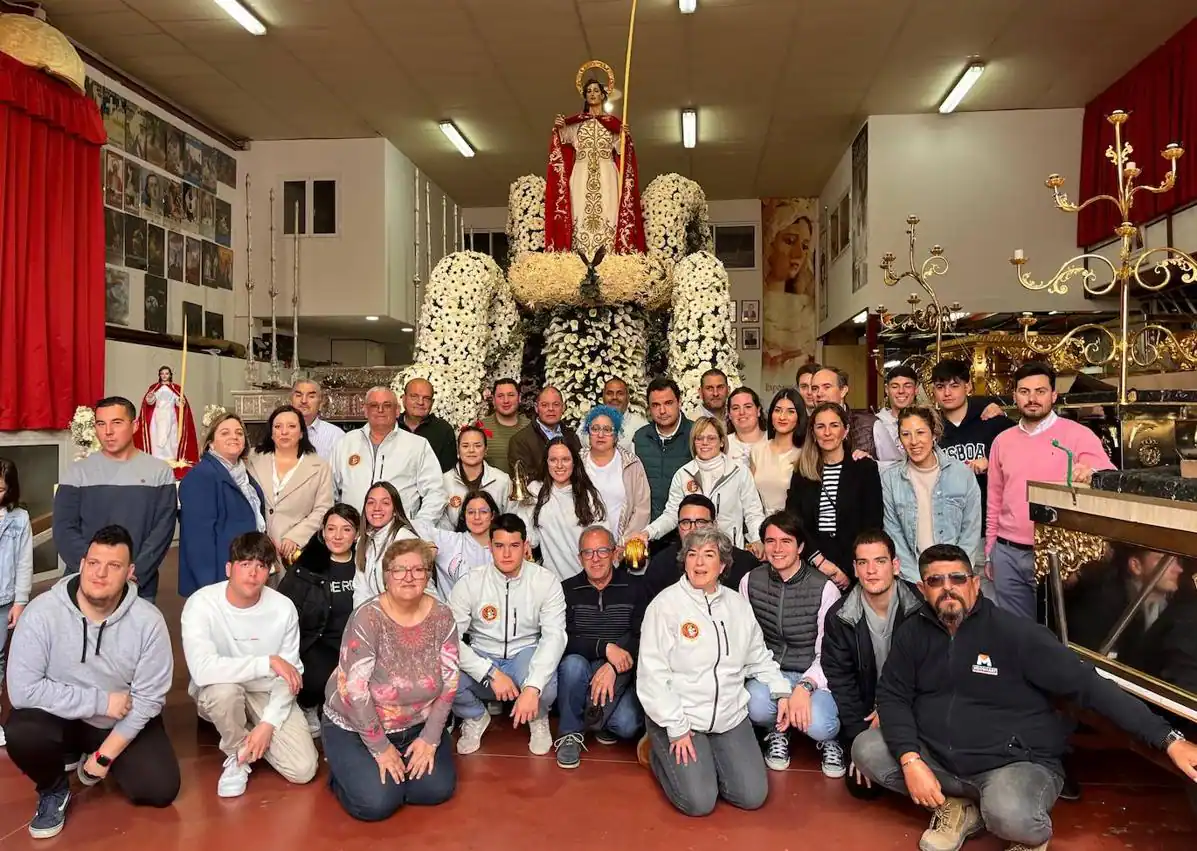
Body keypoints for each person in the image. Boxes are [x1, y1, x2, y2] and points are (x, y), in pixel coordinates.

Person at [851, 544, 1197, 851]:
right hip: (940, 758)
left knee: (1012, 818)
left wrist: (1168, 740)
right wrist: (911, 761)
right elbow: (893, 694)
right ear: (921, 588)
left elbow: (1090, 686)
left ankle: (1000, 817)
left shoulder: (1015, 634)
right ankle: (956, 806)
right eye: (936, 581)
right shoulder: (913, 633)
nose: (948, 589)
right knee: (867, 748)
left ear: (974, 584)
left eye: (957, 579)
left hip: (1010, 764)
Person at [6, 526, 179, 839]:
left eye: (113, 566)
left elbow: (149, 698)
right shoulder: (42, 613)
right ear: (82, 563)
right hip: (63, 715)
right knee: (21, 728)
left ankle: (89, 752)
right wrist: (101, 701)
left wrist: (104, 756)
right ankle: (54, 790)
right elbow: (23, 691)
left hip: (117, 720)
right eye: (94, 563)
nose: (100, 573)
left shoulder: (148, 622)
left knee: (160, 790)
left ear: (129, 572)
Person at [637, 527, 794, 817]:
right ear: (684, 561)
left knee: (752, 796)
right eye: (692, 555)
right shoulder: (665, 606)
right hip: (682, 718)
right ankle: (658, 754)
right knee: (699, 802)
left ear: (722, 565)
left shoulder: (737, 606)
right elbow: (652, 676)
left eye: (708, 555)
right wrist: (676, 726)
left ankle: (706, 762)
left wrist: (781, 689)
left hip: (728, 717)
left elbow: (758, 656)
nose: (699, 563)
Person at [322, 538, 459, 821]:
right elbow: (354, 693)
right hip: (356, 727)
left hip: (416, 724)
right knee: (377, 803)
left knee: (435, 790)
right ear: (386, 576)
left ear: (428, 574)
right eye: (399, 570)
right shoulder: (367, 619)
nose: (409, 577)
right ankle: (342, 772)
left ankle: (387, 775)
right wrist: (381, 748)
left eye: (418, 569)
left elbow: (450, 683)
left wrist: (431, 738)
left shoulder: (443, 616)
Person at [181, 532, 319, 798]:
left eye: (261, 565)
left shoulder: (283, 608)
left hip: (266, 693)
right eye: (245, 564)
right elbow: (202, 670)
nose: (253, 573)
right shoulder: (202, 604)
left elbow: (290, 674)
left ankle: (251, 734)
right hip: (223, 689)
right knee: (224, 693)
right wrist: (267, 662)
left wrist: (267, 725)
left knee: (303, 770)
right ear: (229, 568)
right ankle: (237, 755)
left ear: (269, 571)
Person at [986, 362, 1114, 619]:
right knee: (1015, 632)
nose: (1032, 399)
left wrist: (1092, 474)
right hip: (1007, 553)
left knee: (1056, 630)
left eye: (1040, 391)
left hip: (1055, 553)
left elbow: (1109, 475)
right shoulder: (1002, 440)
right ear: (1014, 396)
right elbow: (995, 499)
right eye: (1024, 391)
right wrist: (991, 550)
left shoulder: (1078, 435)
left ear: (1054, 395)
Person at [449, 513, 566, 756]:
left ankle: (538, 718)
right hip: (483, 655)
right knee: (443, 674)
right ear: (490, 546)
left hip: (524, 654)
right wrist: (489, 672)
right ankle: (476, 717)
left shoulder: (546, 581)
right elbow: (448, 639)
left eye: (514, 546)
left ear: (525, 546)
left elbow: (554, 637)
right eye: (499, 546)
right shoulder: (471, 582)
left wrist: (532, 688)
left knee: (548, 684)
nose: (506, 554)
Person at [822, 530, 923, 800]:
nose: (871, 571)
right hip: (868, 716)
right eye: (863, 563)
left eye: (879, 561)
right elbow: (841, 683)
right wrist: (859, 744)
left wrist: (892, 710)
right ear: (854, 569)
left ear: (896, 565)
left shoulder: (921, 608)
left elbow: (931, 675)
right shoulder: (840, 617)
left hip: (915, 709)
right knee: (861, 787)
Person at [741, 512, 843, 776]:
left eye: (786, 541)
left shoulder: (825, 588)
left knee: (821, 724)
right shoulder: (750, 581)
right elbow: (749, 645)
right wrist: (778, 687)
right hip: (770, 672)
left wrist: (804, 687)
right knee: (753, 703)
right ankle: (777, 731)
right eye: (770, 541)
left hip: (814, 675)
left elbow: (828, 651)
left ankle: (828, 741)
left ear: (800, 547)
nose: (777, 549)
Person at [53, 396, 177, 602]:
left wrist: (135, 573)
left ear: (135, 426)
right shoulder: (78, 473)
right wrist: (93, 570)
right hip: (86, 583)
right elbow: (64, 528)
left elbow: (162, 529)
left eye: (117, 423)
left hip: (137, 583)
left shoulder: (159, 472)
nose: (108, 432)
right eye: (101, 424)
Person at [553, 526, 647, 769]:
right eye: (588, 553)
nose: (595, 559)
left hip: (623, 669)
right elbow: (561, 638)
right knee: (572, 665)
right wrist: (604, 648)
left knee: (627, 725)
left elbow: (643, 634)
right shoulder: (565, 590)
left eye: (602, 551)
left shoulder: (636, 588)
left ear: (615, 553)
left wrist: (612, 667)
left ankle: (599, 718)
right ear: (579, 558)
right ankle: (570, 734)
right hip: (582, 665)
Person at [276, 504, 362, 736]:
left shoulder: (365, 564)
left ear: (357, 534)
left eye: (346, 529)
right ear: (322, 532)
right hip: (318, 642)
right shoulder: (307, 565)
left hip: (356, 643)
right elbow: (283, 608)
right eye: (331, 528)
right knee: (322, 678)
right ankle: (308, 705)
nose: (337, 536)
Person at [545, 65, 645, 259]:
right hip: (581, 175)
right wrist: (558, 127)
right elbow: (561, 139)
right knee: (580, 213)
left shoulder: (613, 125)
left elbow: (623, 152)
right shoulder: (577, 125)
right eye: (588, 91)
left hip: (607, 174)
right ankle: (580, 257)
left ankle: (608, 255)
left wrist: (626, 138)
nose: (592, 94)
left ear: (603, 95)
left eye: (596, 91)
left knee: (608, 211)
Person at [632, 416, 765, 556]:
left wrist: (758, 539)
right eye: (699, 438)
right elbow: (671, 514)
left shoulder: (739, 471)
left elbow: (753, 512)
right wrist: (648, 532)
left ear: (721, 441)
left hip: (730, 552)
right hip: (693, 553)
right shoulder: (683, 474)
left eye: (711, 438)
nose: (705, 443)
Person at [787, 403, 883, 591]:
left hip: (853, 565)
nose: (827, 432)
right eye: (820, 427)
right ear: (813, 433)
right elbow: (794, 522)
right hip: (811, 562)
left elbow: (872, 524)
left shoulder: (864, 469)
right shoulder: (802, 473)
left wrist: (848, 570)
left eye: (834, 425)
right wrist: (819, 561)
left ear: (845, 430)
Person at [881, 407, 983, 583]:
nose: (914, 441)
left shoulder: (962, 474)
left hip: (956, 574)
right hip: (913, 577)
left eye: (920, 432)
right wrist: (918, 580)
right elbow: (894, 535)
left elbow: (971, 530)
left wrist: (954, 574)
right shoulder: (890, 479)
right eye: (906, 434)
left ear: (934, 434)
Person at [178, 413, 268, 597]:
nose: (234, 437)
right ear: (211, 442)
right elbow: (198, 541)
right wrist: (211, 589)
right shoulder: (202, 476)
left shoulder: (243, 475)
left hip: (244, 571)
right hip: (218, 579)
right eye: (225, 433)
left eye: (239, 433)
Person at [330, 386, 447, 525]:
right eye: (374, 405)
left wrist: (419, 526)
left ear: (397, 411)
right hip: (352, 534)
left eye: (387, 405)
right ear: (365, 410)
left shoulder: (417, 445)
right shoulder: (345, 442)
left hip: (399, 535)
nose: (380, 410)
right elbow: (329, 491)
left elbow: (436, 492)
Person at [246, 404, 335, 565]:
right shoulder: (252, 459)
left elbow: (323, 508)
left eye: (291, 426)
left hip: (294, 552)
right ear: (271, 433)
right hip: (254, 548)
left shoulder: (319, 467)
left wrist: (296, 536)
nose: (284, 432)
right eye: (278, 427)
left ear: (301, 433)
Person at [931, 359, 1014, 530]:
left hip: (988, 523)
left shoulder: (990, 420)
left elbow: (1023, 449)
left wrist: (992, 462)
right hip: (945, 524)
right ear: (933, 391)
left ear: (967, 387)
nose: (947, 393)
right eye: (940, 387)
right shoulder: (930, 428)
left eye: (954, 386)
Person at [640, 494, 762, 600]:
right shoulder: (661, 564)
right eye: (686, 523)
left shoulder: (744, 563)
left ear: (714, 525)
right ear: (678, 527)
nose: (693, 529)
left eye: (701, 522)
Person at [517, 438, 606, 580]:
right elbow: (526, 532)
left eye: (565, 459)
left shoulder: (588, 495)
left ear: (574, 462)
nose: (559, 465)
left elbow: (602, 538)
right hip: (552, 580)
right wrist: (525, 540)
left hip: (587, 578)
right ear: (546, 463)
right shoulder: (535, 490)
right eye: (553, 460)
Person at [0, 457, 33, 747]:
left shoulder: (18, 518)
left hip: (4, 598)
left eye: (0, 489)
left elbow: (24, 562)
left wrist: (20, 601)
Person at [580, 405, 651, 541]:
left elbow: (642, 508)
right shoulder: (578, 462)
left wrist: (624, 543)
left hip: (622, 545)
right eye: (595, 429)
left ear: (616, 435)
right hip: (585, 548)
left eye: (607, 430)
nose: (600, 435)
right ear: (588, 432)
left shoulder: (631, 463)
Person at [414, 490, 497, 598]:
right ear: (464, 516)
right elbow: (415, 525)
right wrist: (430, 545)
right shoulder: (450, 541)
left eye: (483, 512)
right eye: (471, 512)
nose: (477, 517)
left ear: (492, 515)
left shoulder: (504, 547)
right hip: (453, 612)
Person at [634, 376, 695, 521]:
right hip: (649, 525)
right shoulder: (640, 437)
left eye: (668, 403)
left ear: (679, 403)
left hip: (688, 524)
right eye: (655, 405)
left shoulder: (696, 434)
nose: (662, 411)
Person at [354, 481, 418, 608]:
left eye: (385, 503)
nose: (377, 508)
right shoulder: (363, 542)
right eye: (371, 502)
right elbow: (361, 590)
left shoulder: (405, 540)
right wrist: (362, 620)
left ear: (395, 510)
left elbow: (413, 593)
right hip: (376, 617)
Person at [439, 424, 510, 531]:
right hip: (455, 542)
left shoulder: (502, 480)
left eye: (477, 446)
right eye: (465, 446)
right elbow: (442, 521)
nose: (471, 450)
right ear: (458, 450)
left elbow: (510, 517)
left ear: (486, 449)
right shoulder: (444, 481)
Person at [133, 365, 198, 477]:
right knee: (157, 436)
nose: (164, 376)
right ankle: (157, 457)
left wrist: (180, 401)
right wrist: (150, 397)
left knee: (170, 437)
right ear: (159, 375)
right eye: (162, 374)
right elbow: (149, 402)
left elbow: (179, 402)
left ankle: (169, 457)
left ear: (170, 375)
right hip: (157, 415)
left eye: (166, 373)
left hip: (170, 415)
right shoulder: (154, 387)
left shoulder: (176, 388)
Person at [508, 386, 582, 480]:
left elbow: (580, 472)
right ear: (536, 408)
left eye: (556, 404)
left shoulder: (572, 436)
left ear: (563, 407)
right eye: (544, 405)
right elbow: (524, 480)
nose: (551, 409)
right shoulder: (520, 441)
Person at [749, 388, 804, 514]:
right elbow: (749, 496)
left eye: (790, 412)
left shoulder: (804, 454)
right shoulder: (757, 450)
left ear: (799, 417)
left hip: (791, 525)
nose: (782, 417)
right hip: (759, 524)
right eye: (778, 410)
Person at [811, 366, 878, 459]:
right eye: (814, 388)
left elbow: (894, 466)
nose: (819, 393)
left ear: (843, 390)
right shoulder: (807, 426)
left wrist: (871, 463)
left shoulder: (870, 424)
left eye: (826, 387)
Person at [576, 377, 648, 455]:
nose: (614, 397)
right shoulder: (588, 423)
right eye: (609, 393)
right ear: (603, 397)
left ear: (628, 397)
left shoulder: (641, 425)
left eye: (620, 393)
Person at [399, 378, 457, 473]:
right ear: (404, 399)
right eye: (414, 396)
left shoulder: (443, 430)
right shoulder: (391, 426)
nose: (420, 402)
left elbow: (448, 473)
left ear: (432, 403)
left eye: (426, 398)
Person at [480, 378, 529, 475]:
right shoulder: (480, 427)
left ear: (519, 398)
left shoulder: (530, 427)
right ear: (493, 400)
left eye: (511, 395)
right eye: (500, 396)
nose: (506, 401)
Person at [873, 365, 920, 464]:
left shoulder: (927, 421)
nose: (901, 391)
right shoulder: (875, 423)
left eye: (907, 386)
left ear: (916, 389)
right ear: (886, 389)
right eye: (895, 386)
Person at [290, 378, 345, 462]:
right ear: (290, 400)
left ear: (321, 402)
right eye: (298, 395)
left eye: (311, 396)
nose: (304, 401)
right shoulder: (278, 432)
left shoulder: (335, 436)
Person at [725, 386, 768, 467]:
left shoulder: (772, 440)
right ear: (730, 414)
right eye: (736, 408)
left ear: (758, 411)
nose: (742, 412)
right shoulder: (723, 445)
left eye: (748, 407)